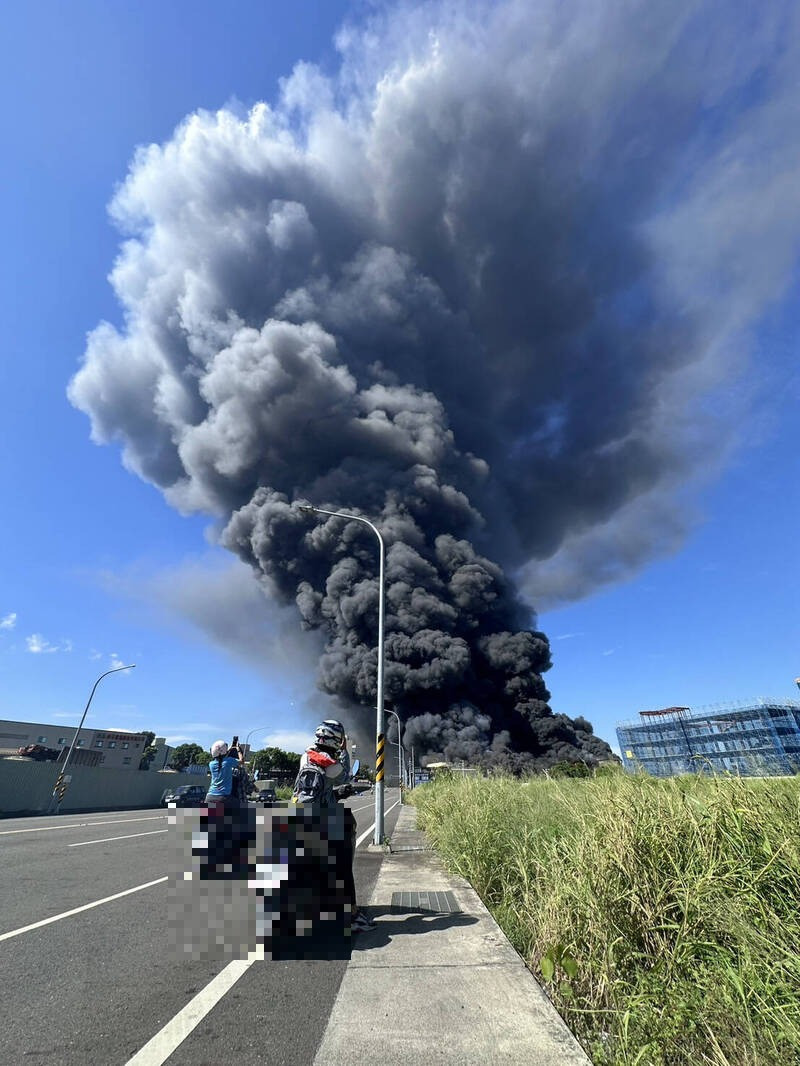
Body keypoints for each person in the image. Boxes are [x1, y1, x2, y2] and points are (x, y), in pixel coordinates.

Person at [293, 720, 374, 933]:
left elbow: (315, 790)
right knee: (343, 868)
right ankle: (352, 915)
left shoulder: (305, 757)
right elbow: (345, 774)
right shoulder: (331, 764)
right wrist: (346, 752)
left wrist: (334, 794)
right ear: (338, 740)